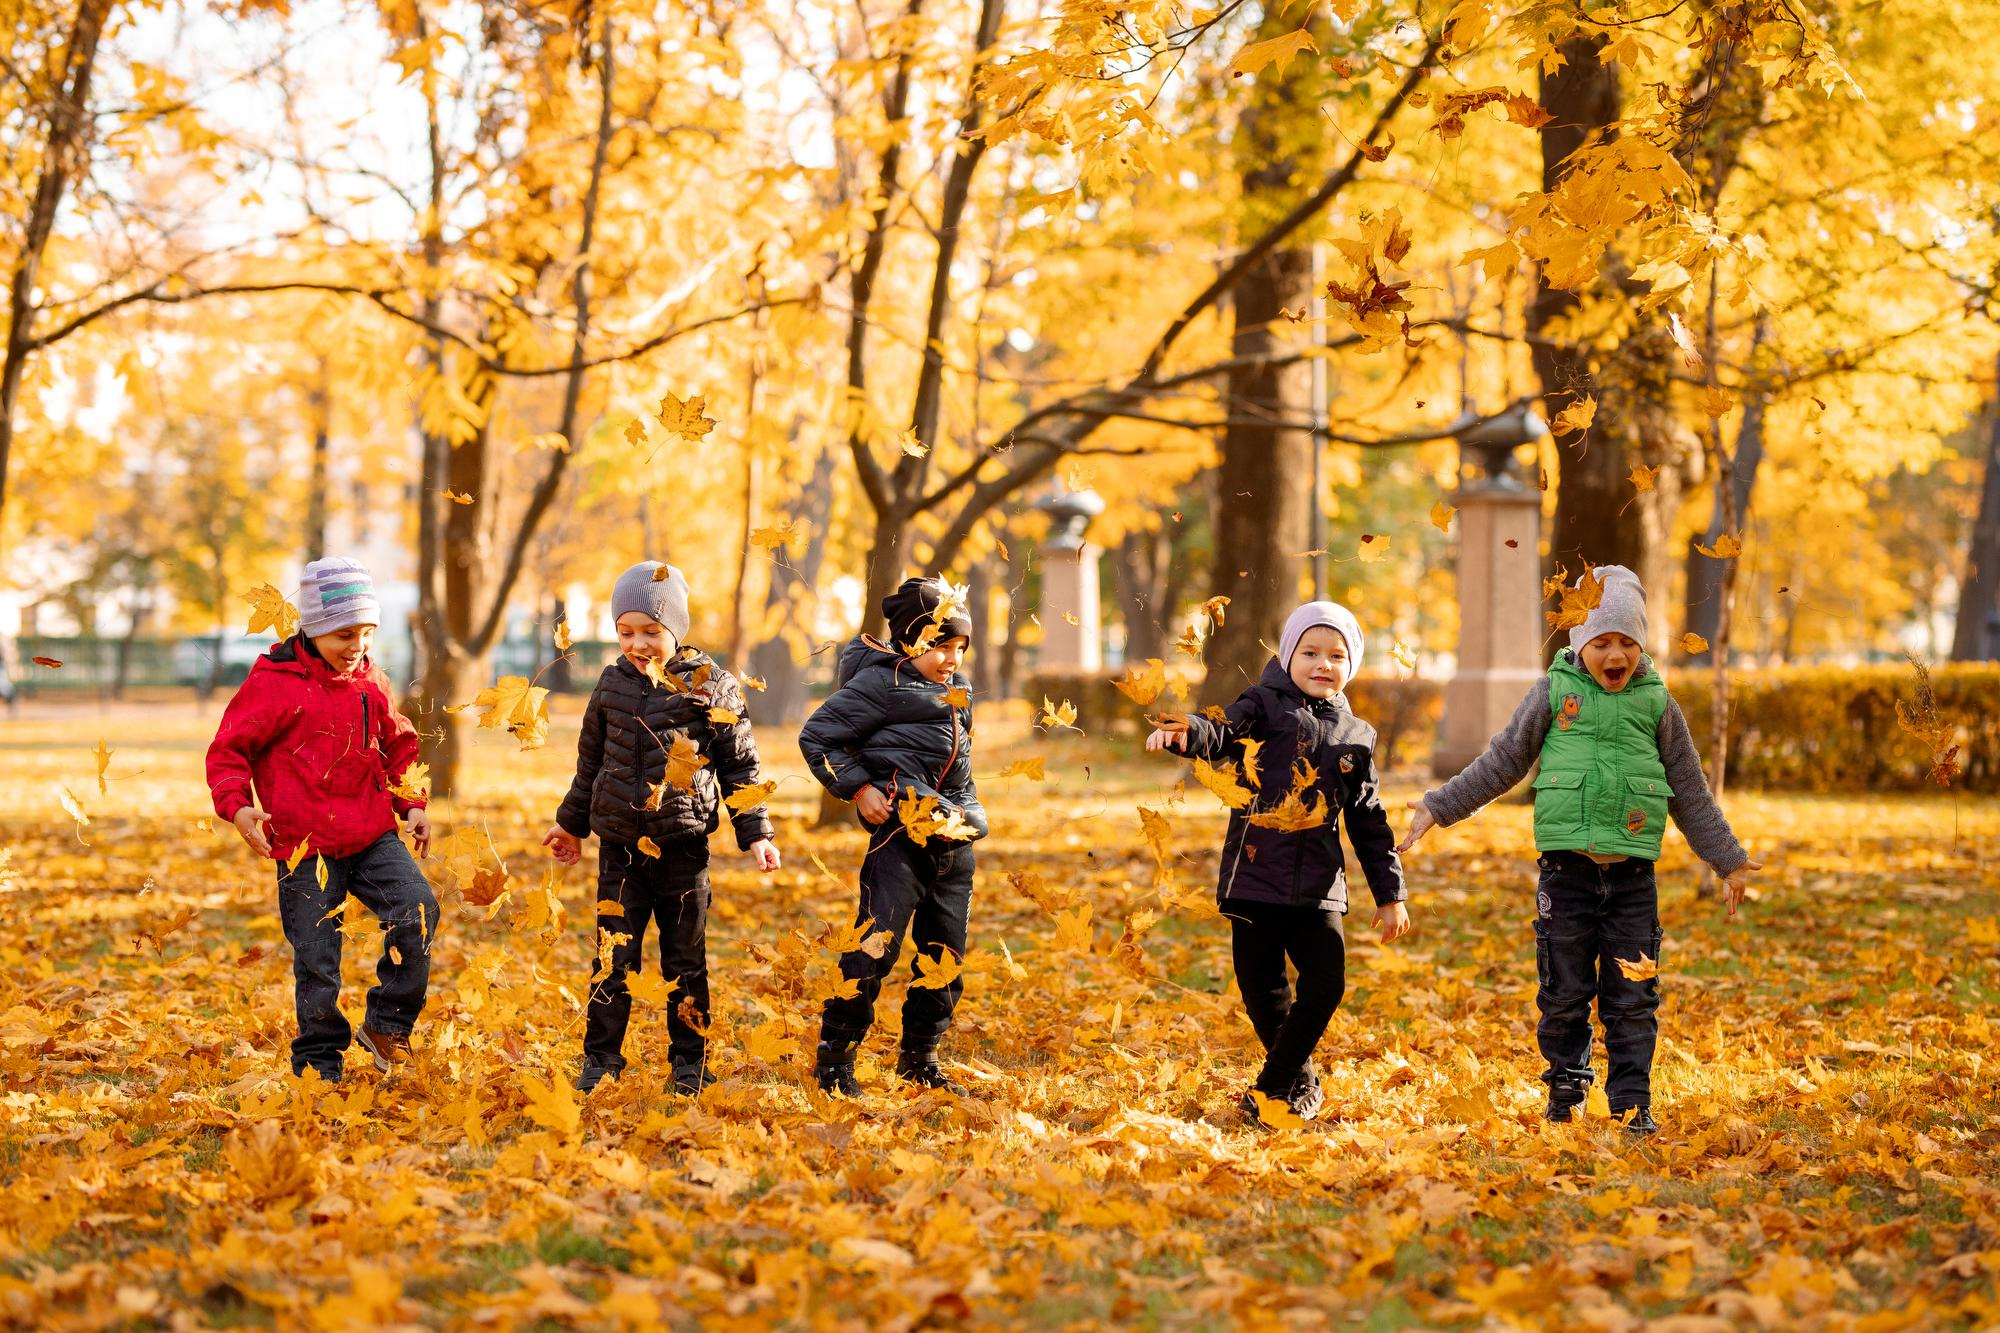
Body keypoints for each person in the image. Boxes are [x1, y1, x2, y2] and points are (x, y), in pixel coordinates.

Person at [1399, 565, 1760, 1134]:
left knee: (1632, 995)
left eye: (1626, 642)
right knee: (1564, 991)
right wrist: (1439, 807)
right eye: (1601, 641)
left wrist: (1729, 860)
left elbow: (1690, 789)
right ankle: (1567, 1088)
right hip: (1565, 875)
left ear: (1641, 646)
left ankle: (1632, 1102)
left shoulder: (1658, 704)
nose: (1614, 653)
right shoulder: (1552, 692)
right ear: (1579, 643)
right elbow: (1504, 762)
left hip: (1633, 880)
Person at [1147, 600, 1410, 1123]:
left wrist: (1390, 894)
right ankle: (1302, 1079)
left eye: (1336, 655)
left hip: (1319, 886)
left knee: (1326, 982)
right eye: (1310, 651)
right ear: (1288, 655)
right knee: (1261, 987)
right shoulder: (1263, 704)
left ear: (1351, 665)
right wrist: (1187, 734)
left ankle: (1271, 1086)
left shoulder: (1355, 737)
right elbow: (1219, 731)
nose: (1322, 664)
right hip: (1253, 875)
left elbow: (1368, 820)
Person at [543, 561, 780, 1095]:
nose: (638, 644)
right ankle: (601, 1060)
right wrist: (570, 825)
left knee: (685, 959)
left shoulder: (711, 688)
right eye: (626, 632)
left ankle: (688, 1064)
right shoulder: (611, 684)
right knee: (612, 958)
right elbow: (590, 765)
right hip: (620, 848)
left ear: (676, 628)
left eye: (651, 631)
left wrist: (756, 833)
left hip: (683, 846)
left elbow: (741, 767)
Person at [205, 557, 435, 1083]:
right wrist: (239, 808)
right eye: (343, 633)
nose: (356, 645)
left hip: (371, 833)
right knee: (317, 959)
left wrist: (413, 803)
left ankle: (387, 1024)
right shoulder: (274, 683)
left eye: (366, 632)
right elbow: (227, 753)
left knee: (417, 910)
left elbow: (398, 745)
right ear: (311, 628)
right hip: (305, 846)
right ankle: (319, 1062)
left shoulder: (370, 679)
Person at [799, 576, 986, 1096]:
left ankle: (920, 1057)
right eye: (938, 645)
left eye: (958, 646)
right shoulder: (880, 686)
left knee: (944, 957)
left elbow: (961, 771)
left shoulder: (956, 692)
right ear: (908, 640)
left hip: (952, 846)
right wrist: (859, 791)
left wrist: (969, 818)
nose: (950, 657)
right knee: (873, 949)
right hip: (900, 842)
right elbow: (817, 738)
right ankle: (836, 1059)